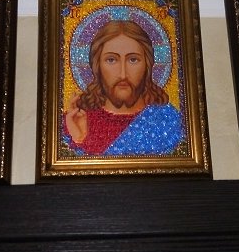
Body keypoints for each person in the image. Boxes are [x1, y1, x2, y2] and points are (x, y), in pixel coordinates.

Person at [64, 20, 183, 155]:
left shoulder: (170, 121)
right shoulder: (73, 122)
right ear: (97, 66)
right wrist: (79, 140)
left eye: (133, 60)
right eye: (111, 60)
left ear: (147, 65)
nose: (123, 74)